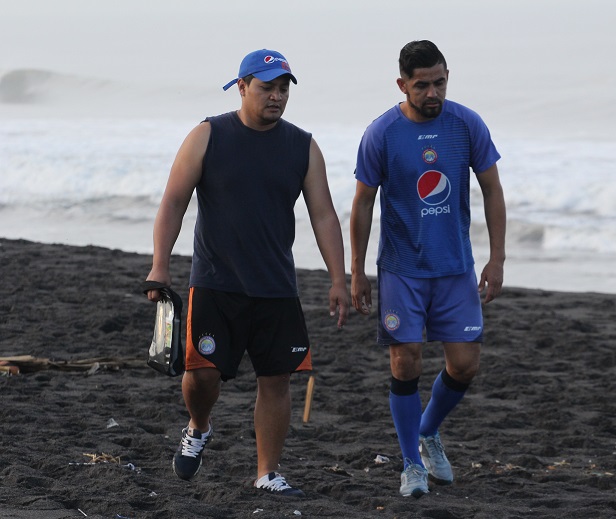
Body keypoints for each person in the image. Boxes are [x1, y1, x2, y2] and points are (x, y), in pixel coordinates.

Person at [145, 48, 349, 497]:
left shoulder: (302, 146)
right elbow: (173, 202)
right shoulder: (208, 134)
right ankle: (199, 426)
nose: (276, 97)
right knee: (202, 375)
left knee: (276, 380)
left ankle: (267, 472)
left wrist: (339, 278)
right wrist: (161, 263)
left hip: (276, 286)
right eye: (266, 87)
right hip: (216, 282)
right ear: (241, 87)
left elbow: (324, 216)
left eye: (283, 89)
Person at [350, 40, 506, 498]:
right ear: (403, 84)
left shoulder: (466, 124)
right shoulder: (381, 133)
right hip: (401, 268)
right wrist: (356, 271)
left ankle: (428, 430)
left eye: (440, 82)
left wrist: (496, 259)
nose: (433, 92)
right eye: (422, 85)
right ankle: (411, 463)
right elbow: (362, 204)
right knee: (406, 361)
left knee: (465, 364)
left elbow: (493, 190)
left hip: (455, 267)